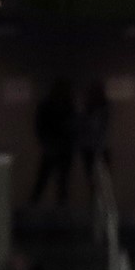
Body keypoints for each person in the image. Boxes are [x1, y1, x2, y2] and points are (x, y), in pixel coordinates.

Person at [29, 79, 77, 208]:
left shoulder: (67, 105)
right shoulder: (48, 106)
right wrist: (46, 142)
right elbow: (40, 126)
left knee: (61, 181)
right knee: (44, 178)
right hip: (52, 146)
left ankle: (60, 207)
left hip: (62, 147)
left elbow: (72, 126)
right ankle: (33, 205)